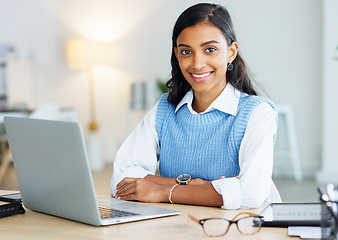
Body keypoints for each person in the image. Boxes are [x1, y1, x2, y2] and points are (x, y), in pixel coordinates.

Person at [111, 3, 281, 209]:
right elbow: (122, 179)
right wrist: (198, 186)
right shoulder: (165, 109)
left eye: (210, 49)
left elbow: (249, 195)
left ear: (231, 52)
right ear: (176, 54)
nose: (197, 63)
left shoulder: (257, 112)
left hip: (238, 228)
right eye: (186, 52)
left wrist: (163, 192)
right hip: (177, 225)